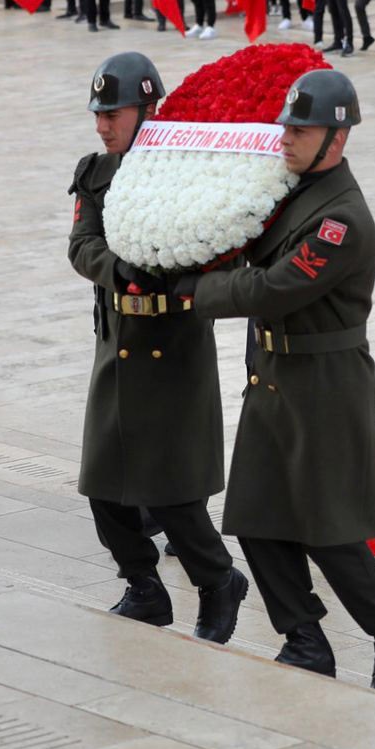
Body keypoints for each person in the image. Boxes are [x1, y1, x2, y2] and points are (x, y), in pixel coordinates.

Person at [173, 70, 375, 694]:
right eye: (287, 125)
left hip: (324, 382)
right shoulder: (291, 190)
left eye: (301, 129)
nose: (286, 137)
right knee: (257, 514)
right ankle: (303, 637)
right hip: (275, 374)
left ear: (336, 139)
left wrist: (195, 289)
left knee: (328, 525)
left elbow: (276, 287)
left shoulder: (342, 220)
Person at [69, 53, 246, 643]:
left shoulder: (191, 171)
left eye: (112, 114)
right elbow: (81, 245)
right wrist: (118, 269)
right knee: (104, 483)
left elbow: (226, 244)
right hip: (117, 343)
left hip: (172, 348)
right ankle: (142, 586)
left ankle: (218, 580)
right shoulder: (95, 171)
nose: (102, 125)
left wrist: (177, 270)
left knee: (171, 490)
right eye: (98, 114)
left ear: (149, 110)